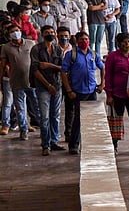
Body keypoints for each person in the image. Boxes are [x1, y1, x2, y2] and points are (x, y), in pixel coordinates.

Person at [60, 31, 103, 154]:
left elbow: (102, 67)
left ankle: (90, 143)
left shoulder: (93, 54)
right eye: (82, 39)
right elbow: (63, 72)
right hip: (78, 91)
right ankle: (74, 144)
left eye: (86, 39)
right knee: (79, 118)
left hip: (91, 91)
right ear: (77, 41)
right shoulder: (71, 55)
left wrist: (102, 83)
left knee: (92, 119)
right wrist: (68, 90)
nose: (84, 41)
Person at [30, 25, 64, 155]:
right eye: (47, 32)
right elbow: (35, 70)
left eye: (51, 32)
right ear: (42, 34)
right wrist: (48, 85)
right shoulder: (36, 49)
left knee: (55, 116)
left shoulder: (58, 49)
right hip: (43, 86)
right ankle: (45, 144)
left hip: (57, 86)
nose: (49, 34)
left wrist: (48, 65)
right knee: (44, 117)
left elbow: (62, 68)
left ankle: (54, 141)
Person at [1, 24, 36, 140]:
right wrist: (1, 78)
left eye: (17, 30)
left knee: (37, 106)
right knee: (20, 108)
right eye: (12, 31)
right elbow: (3, 64)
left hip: (32, 81)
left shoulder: (31, 44)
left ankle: (44, 129)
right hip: (16, 81)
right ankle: (23, 130)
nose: (15, 33)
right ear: (9, 34)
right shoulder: (6, 47)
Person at [104, 32, 129, 154]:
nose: (127, 44)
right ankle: (114, 145)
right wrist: (109, 95)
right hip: (118, 94)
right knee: (116, 120)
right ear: (118, 43)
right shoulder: (113, 57)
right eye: (124, 42)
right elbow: (108, 76)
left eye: (128, 41)